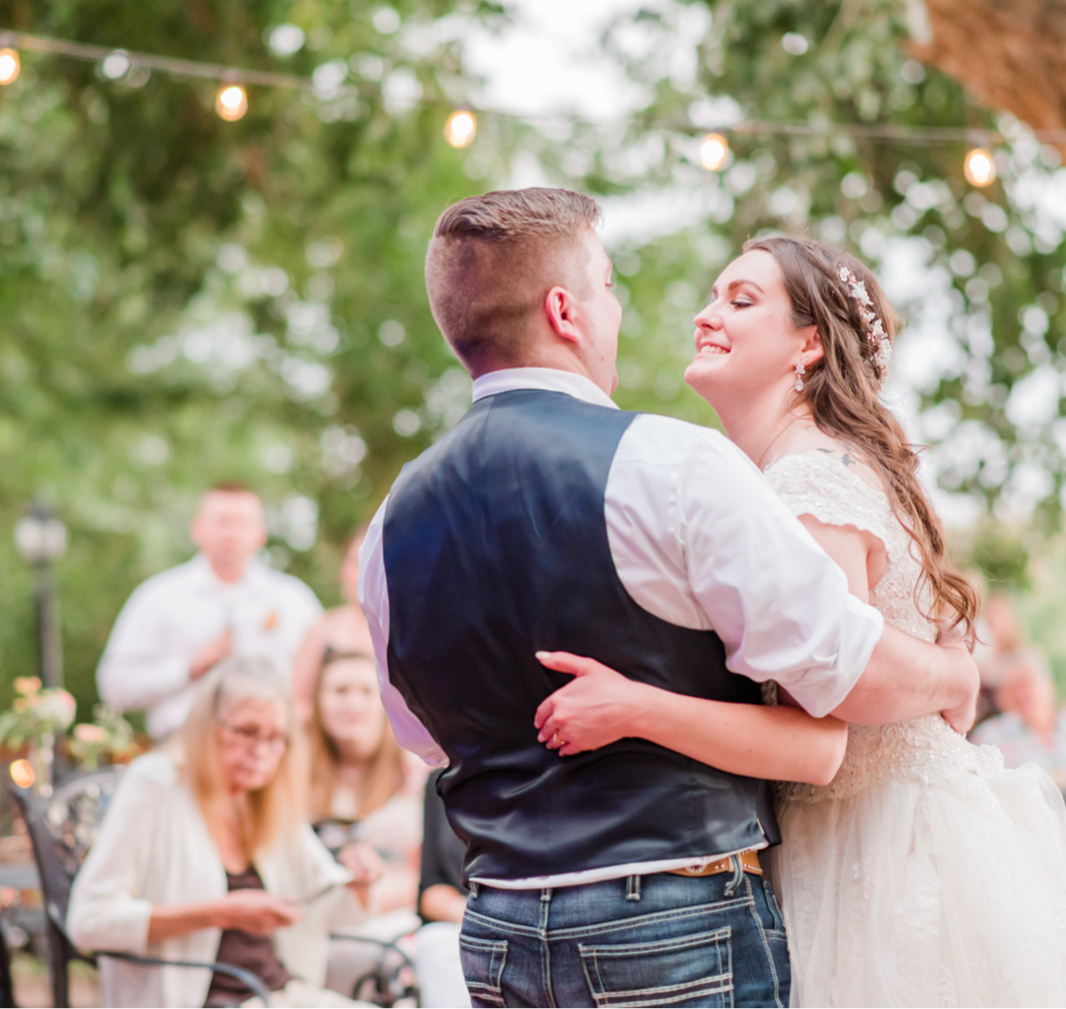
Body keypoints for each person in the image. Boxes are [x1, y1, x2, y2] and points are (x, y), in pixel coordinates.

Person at [360, 189, 982, 1008]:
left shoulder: (390, 523)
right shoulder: (670, 463)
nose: (620, 308)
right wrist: (955, 674)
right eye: (607, 285)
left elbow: (423, 736)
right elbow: (843, 673)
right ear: (565, 311)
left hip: (497, 928)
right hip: (670, 919)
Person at [533, 234, 1066, 1006]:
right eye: (713, 296)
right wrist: (954, 671)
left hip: (871, 852)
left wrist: (635, 707)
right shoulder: (823, 465)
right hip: (898, 825)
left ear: (808, 345)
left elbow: (835, 701)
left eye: (740, 300)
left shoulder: (803, 485)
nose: (705, 315)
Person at [66, 661, 379, 1008]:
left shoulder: (265, 799)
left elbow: (334, 912)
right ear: (206, 726)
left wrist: (360, 881)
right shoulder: (155, 785)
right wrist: (220, 913)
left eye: (275, 738)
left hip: (280, 995)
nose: (261, 751)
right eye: (246, 731)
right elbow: (89, 922)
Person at [97, 482, 322, 740]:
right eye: (222, 521)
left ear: (261, 533)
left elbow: (324, 681)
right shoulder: (157, 597)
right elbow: (113, 687)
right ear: (197, 528)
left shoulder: (295, 600)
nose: (232, 533)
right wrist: (187, 669)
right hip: (180, 747)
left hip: (274, 747)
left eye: (243, 523)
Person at [305, 649, 423, 919]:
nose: (353, 704)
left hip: (396, 919)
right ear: (318, 700)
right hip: (316, 916)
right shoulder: (296, 771)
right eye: (340, 691)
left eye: (367, 692)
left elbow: (432, 875)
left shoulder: (416, 773)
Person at [971, 652, 1066, 803]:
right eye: (1012, 688)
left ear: (1049, 683)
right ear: (1001, 698)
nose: (1022, 694)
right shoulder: (989, 738)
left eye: (1027, 682)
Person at [291, 527, 374, 721]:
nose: (364, 573)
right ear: (343, 569)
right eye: (357, 563)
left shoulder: (406, 635)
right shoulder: (322, 629)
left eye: (373, 563)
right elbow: (298, 701)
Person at [414, 770, 471, 1009]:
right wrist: (467, 913)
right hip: (463, 922)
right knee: (434, 944)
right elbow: (429, 890)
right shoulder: (442, 778)